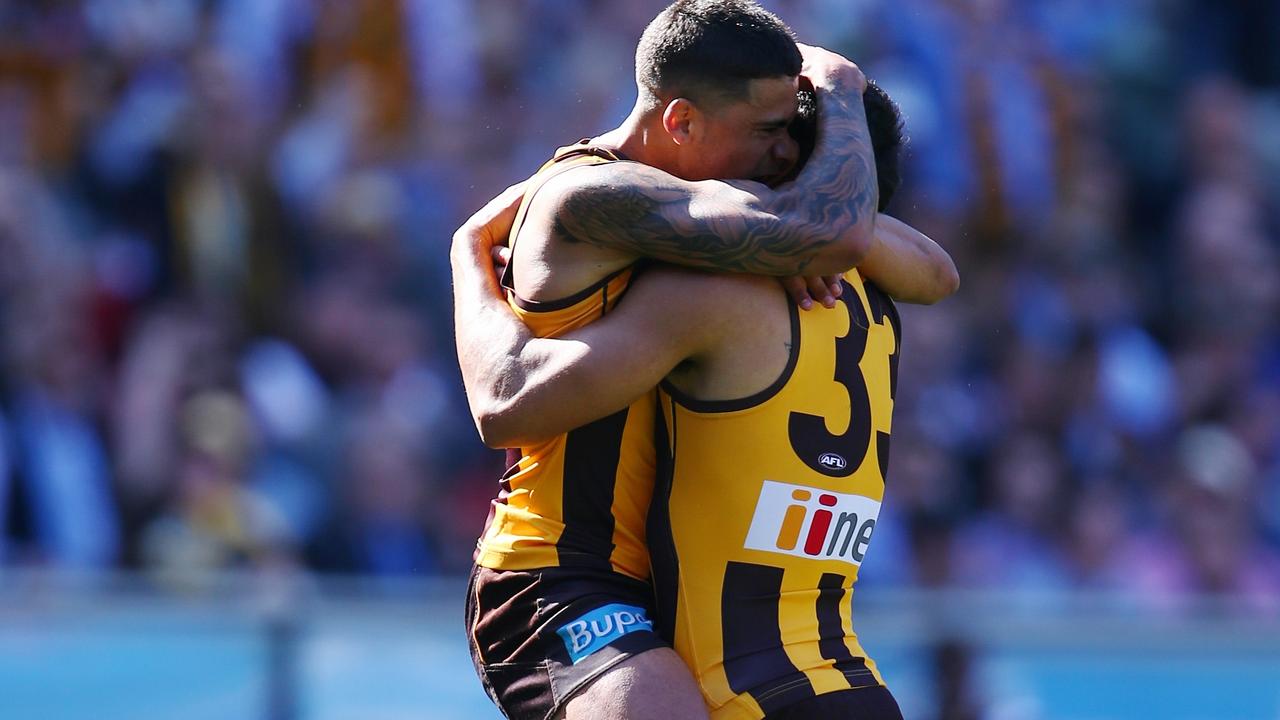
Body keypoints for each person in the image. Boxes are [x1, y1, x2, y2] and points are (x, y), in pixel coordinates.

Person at [455, 2, 949, 718]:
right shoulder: (592, 196)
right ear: (682, 122)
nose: (782, 155)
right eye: (768, 133)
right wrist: (467, 259)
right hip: (561, 573)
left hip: (664, 584)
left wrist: (804, 225)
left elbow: (934, 271)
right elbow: (503, 405)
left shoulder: (727, 211)